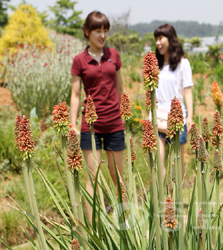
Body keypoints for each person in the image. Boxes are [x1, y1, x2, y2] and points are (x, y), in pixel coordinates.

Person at [70, 11, 125, 221]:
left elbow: (120, 87)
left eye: (105, 31)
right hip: (89, 127)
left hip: (114, 123)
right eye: (97, 31)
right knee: (92, 178)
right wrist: (72, 123)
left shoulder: (114, 55)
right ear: (87, 32)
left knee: (117, 176)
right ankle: (94, 227)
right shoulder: (79, 60)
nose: (102, 35)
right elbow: (75, 94)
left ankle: (125, 223)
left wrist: (125, 113)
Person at [153, 24, 193, 177]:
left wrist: (189, 116)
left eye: (161, 38)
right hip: (158, 117)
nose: (158, 43)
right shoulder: (156, 64)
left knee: (176, 161)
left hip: (177, 116)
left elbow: (187, 91)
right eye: (156, 39)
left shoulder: (183, 64)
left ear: (170, 39)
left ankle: (176, 196)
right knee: (159, 158)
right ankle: (165, 196)